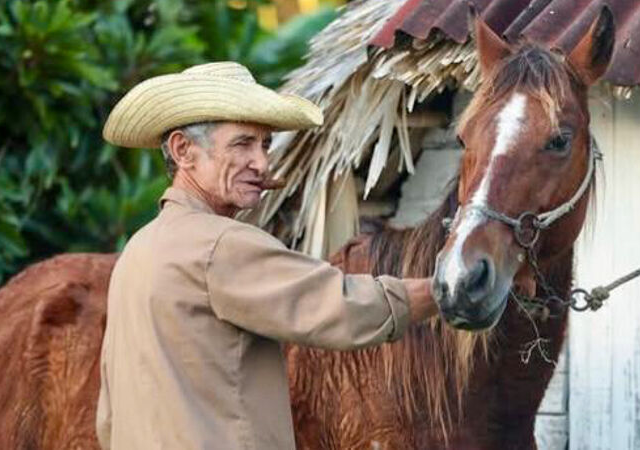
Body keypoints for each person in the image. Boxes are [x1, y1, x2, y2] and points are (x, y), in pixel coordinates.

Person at [95, 62, 438, 449]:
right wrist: (444, 291)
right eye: (242, 144)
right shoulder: (221, 244)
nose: (261, 163)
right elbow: (339, 306)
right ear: (183, 150)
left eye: (264, 145)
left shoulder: (136, 252)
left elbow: (108, 417)